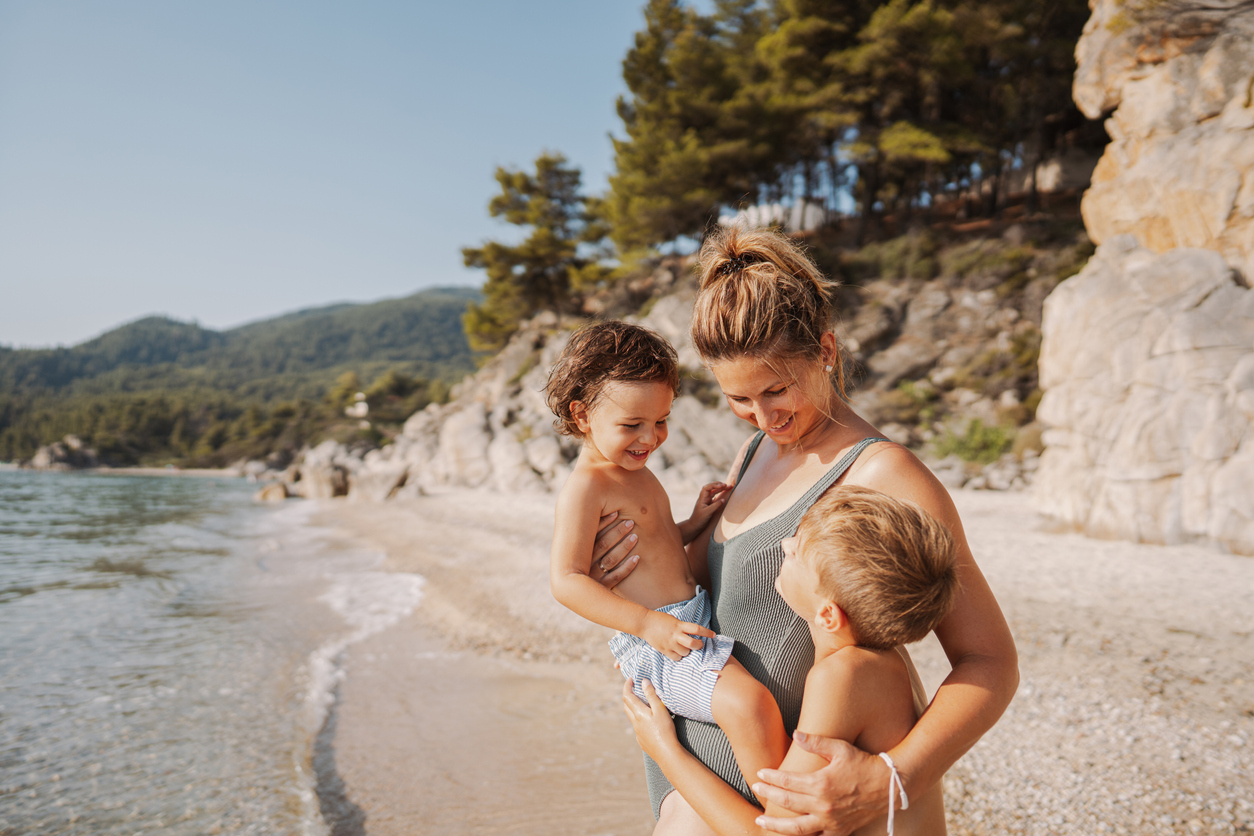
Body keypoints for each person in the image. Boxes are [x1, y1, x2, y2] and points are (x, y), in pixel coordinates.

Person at [591, 226, 1019, 835]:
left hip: (802, 814)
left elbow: (990, 660)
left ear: (825, 350)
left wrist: (895, 780)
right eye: (738, 399)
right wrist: (631, 584)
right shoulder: (751, 455)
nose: (765, 417)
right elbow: (725, 601)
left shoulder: (885, 473)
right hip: (701, 787)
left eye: (776, 389)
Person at [623, 484, 959, 836]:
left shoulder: (844, 675)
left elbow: (776, 832)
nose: (784, 544)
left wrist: (666, 752)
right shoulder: (878, 665)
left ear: (828, 616)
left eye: (797, 551)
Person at [545, 320, 789, 796]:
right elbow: (567, 580)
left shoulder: (633, 472)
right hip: (659, 639)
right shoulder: (586, 487)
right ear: (582, 416)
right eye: (631, 425)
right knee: (748, 705)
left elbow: (654, 546)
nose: (650, 437)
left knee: (751, 706)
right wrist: (647, 626)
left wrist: (695, 523)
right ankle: (781, 810)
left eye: (660, 421)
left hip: (684, 620)